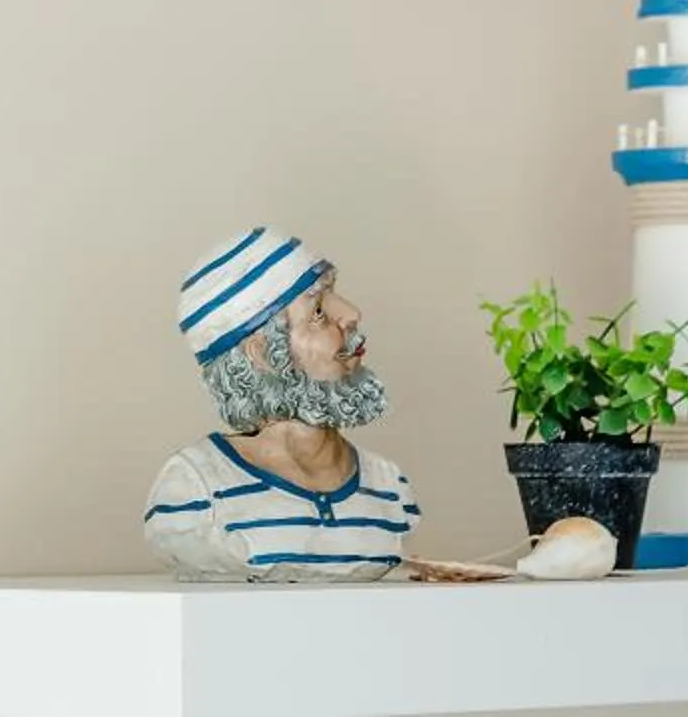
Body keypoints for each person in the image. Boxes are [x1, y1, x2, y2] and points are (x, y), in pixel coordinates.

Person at [144, 227, 482, 582]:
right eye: (318, 310)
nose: (352, 314)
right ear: (262, 354)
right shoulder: (194, 489)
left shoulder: (389, 487)